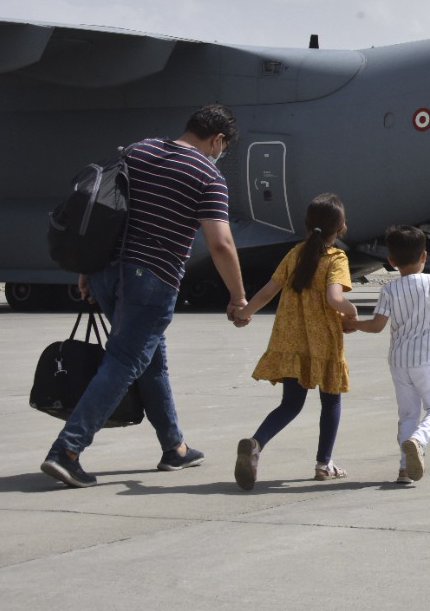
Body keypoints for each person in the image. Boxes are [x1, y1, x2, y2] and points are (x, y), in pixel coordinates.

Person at [40, 104, 245, 488]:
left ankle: (175, 448)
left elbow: (103, 211)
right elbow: (220, 243)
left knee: (150, 361)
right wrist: (237, 296)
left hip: (106, 270)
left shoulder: (138, 150)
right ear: (217, 140)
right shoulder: (207, 175)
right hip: (151, 278)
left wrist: (88, 267)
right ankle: (67, 451)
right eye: (224, 147)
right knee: (123, 361)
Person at [232, 193, 357, 488]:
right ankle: (324, 464)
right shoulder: (336, 258)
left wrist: (244, 313)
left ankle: (256, 443)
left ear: (307, 224)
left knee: (290, 404)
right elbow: (334, 298)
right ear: (340, 228)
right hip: (322, 344)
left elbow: (267, 291)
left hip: (290, 342)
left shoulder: (296, 253)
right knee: (331, 401)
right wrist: (351, 312)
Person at [347, 225, 430, 485]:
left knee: (408, 414)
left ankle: (405, 469)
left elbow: (376, 326)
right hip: (427, 358)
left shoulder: (389, 290)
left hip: (399, 360)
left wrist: (353, 324)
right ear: (424, 257)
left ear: (392, 262)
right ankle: (418, 441)